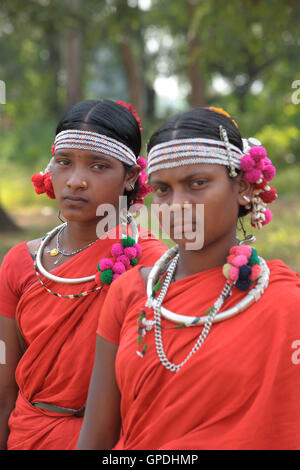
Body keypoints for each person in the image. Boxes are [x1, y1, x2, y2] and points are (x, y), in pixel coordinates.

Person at [77, 107, 300, 450]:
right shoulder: (131, 291)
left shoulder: (284, 304)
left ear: (242, 187)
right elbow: (96, 438)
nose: (177, 204)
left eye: (197, 184)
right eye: (163, 190)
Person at [0, 99, 167, 450]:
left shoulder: (151, 266)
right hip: (25, 435)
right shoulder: (21, 262)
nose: (75, 181)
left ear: (131, 177)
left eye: (98, 166)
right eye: (64, 163)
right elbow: (3, 386)